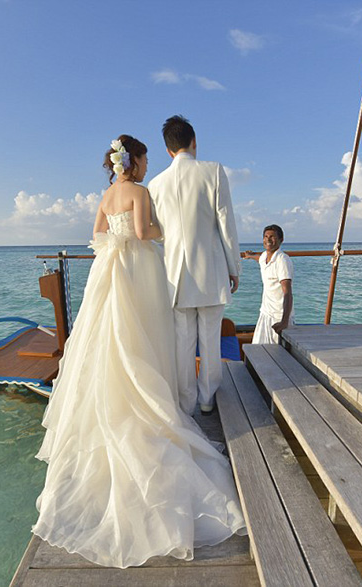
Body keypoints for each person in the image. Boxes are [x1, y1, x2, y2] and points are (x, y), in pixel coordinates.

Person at [31, 135, 246, 568]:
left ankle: (160, 399)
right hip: (142, 266)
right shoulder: (143, 191)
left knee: (113, 337)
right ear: (137, 160)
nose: (146, 164)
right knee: (149, 333)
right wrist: (171, 232)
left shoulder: (109, 194)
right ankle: (191, 398)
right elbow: (148, 231)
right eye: (143, 159)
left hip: (111, 269)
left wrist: (117, 241)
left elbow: (96, 233)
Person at [148, 115, 241, 416]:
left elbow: (159, 232)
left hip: (174, 274)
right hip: (210, 271)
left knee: (183, 343)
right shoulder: (212, 171)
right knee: (210, 339)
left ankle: (186, 402)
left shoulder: (156, 183)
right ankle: (207, 398)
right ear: (194, 142)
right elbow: (226, 223)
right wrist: (234, 267)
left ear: (168, 150)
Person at [243, 224, 293, 344]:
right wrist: (250, 255)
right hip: (265, 313)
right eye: (265, 236)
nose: (268, 240)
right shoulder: (265, 257)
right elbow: (259, 257)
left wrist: (284, 322)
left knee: (277, 355)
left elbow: (288, 292)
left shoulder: (282, 260)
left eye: (272, 237)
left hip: (279, 316)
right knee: (257, 350)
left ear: (281, 240)